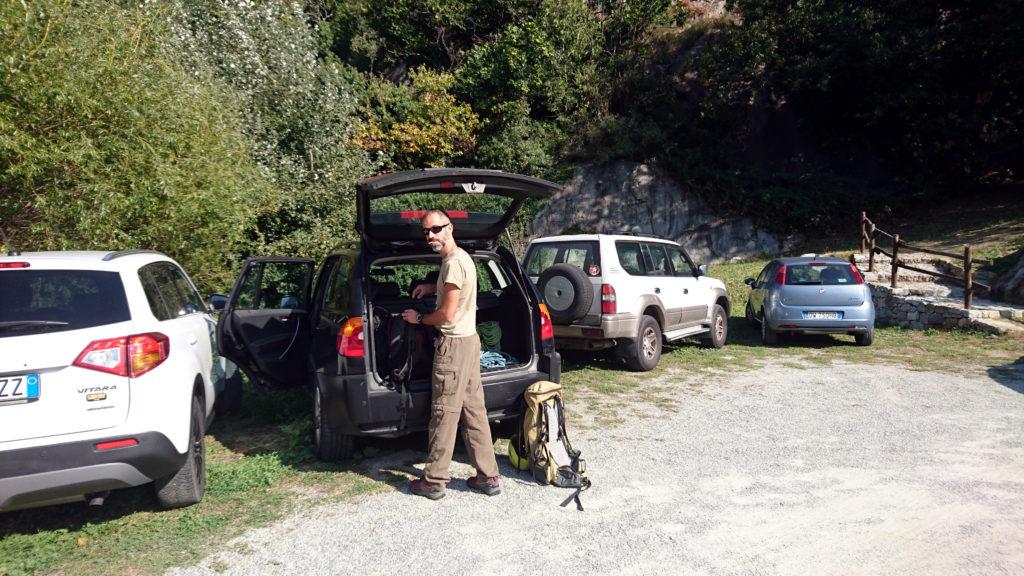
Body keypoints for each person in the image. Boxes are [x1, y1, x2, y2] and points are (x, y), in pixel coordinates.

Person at [401, 209, 501, 500]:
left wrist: (416, 320)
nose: (430, 235)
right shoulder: (461, 259)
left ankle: (433, 481)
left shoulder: (453, 263)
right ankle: (489, 476)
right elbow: (457, 290)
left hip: (454, 346)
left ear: (450, 227)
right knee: (474, 412)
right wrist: (432, 286)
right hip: (470, 342)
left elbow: (445, 314)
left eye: (436, 229)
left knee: (444, 413)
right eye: (426, 231)